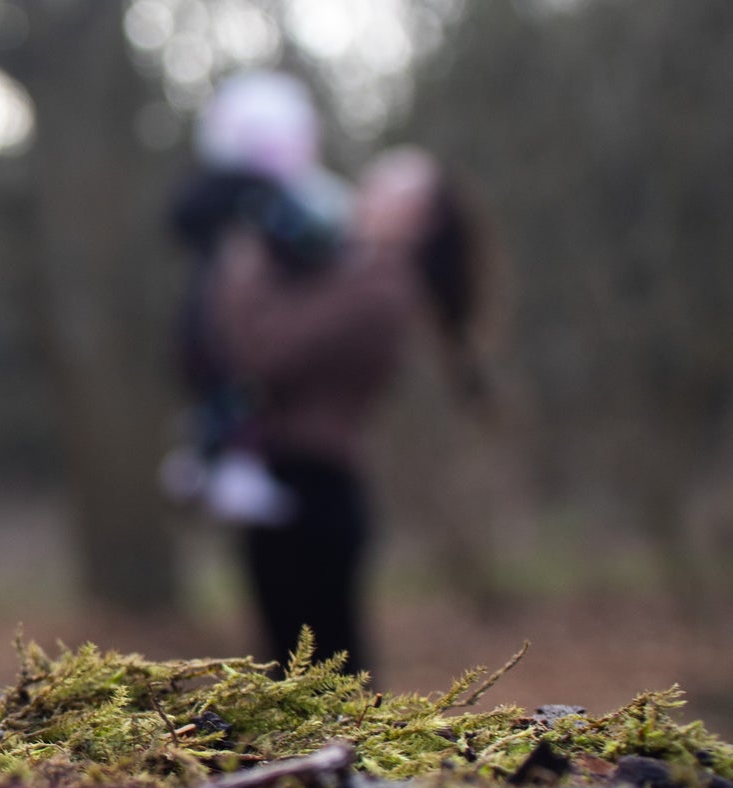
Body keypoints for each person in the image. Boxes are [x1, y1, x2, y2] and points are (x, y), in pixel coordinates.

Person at [209, 146, 488, 674]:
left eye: (388, 186)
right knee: (304, 664)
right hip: (298, 483)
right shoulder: (349, 267)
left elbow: (263, 351)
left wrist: (243, 261)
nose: (368, 189)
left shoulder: (381, 285)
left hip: (311, 490)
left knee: (321, 671)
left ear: (419, 219)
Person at [162, 71, 352, 524]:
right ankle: (219, 460)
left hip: (232, 329)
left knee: (232, 397)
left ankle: (214, 459)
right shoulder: (246, 197)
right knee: (232, 395)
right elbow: (311, 241)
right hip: (228, 326)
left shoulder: (269, 199)